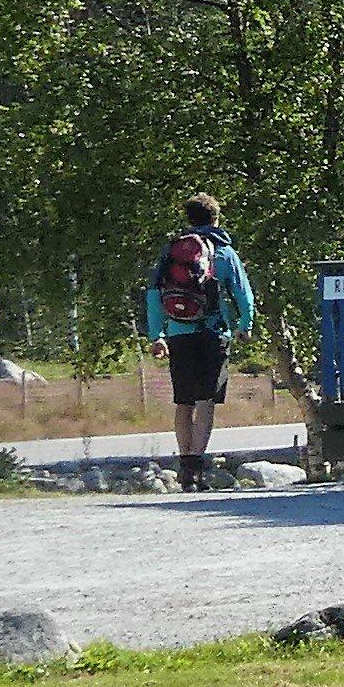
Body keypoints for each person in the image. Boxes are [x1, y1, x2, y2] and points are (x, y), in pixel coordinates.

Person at [140, 195, 257, 492]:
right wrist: (245, 324)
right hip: (213, 333)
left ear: (189, 219)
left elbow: (153, 294)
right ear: (216, 218)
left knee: (183, 401)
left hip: (179, 334)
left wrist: (157, 335)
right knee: (206, 401)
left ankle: (184, 468)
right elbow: (242, 292)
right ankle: (197, 468)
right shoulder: (224, 251)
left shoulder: (172, 252)